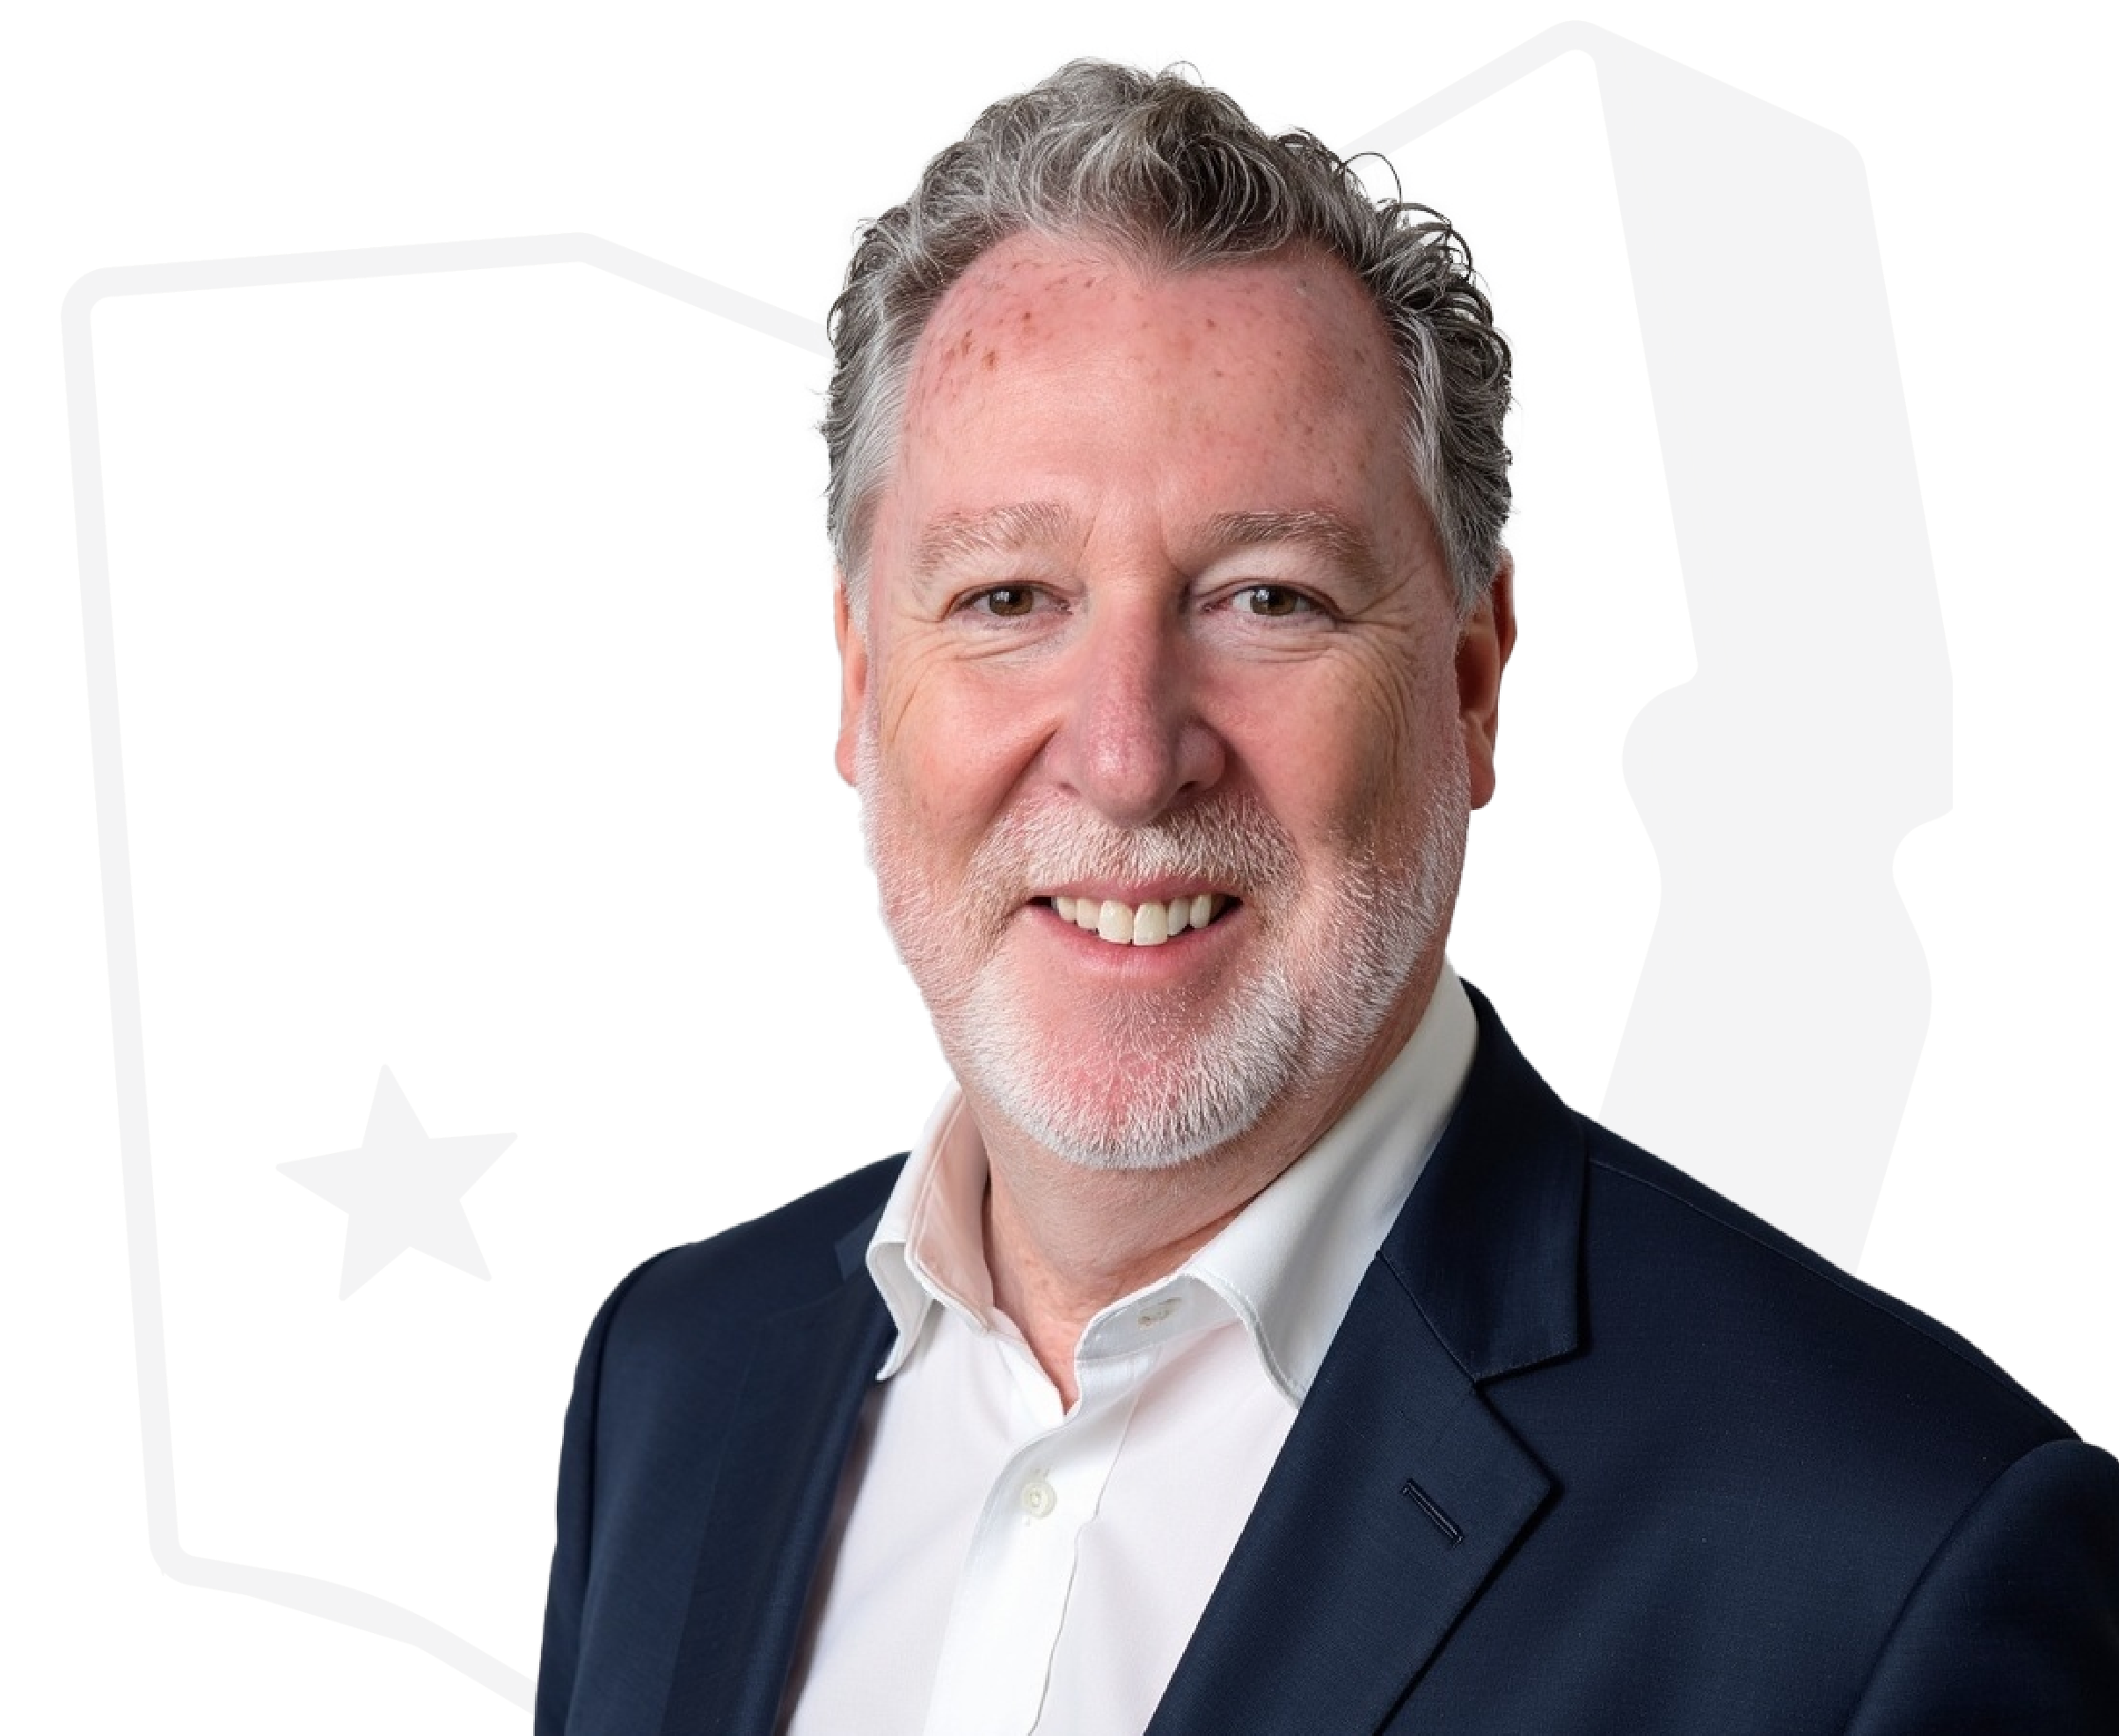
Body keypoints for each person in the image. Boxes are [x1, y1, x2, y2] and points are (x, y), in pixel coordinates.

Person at [534, 49, 2118, 1734]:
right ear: (859, 678)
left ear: (1468, 679)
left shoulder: (1894, 1561)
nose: (1130, 754)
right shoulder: (678, 1378)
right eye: (1009, 594)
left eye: (1268, 599)